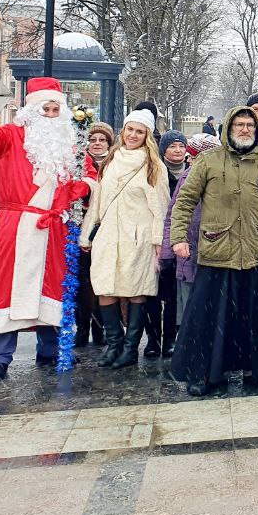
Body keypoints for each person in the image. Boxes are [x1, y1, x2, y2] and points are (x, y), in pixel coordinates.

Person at [0, 75, 97, 381]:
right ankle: (0, 359)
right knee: (9, 290)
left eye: (55, 110)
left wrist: (84, 187)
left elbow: (90, 174)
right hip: (17, 225)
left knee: (54, 287)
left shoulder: (72, 144)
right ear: (31, 110)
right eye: (45, 109)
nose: (50, 115)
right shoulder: (10, 136)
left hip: (56, 227)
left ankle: (49, 350)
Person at [170, 105, 258, 396]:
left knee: (257, 315)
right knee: (209, 317)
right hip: (217, 250)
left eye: (250, 125)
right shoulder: (208, 161)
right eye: (239, 125)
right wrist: (179, 238)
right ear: (228, 128)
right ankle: (206, 373)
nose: (245, 130)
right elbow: (184, 203)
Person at [82, 109, 170, 369]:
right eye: (130, 129)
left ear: (147, 136)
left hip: (137, 237)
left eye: (139, 131)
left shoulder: (153, 166)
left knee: (136, 292)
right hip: (108, 235)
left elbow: (160, 207)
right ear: (123, 130)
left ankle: (131, 349)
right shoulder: (110, 159)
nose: (133, 135)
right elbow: (98, 201)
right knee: (105, 288)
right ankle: (114, 345)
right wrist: (88, 236)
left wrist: (157, 241)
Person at [162, 133, 217, 336]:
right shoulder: (187, 177)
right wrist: (168, 250)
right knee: (188, 305)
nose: (191, 161)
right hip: (188, 252)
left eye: (195, 157)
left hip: (213, 252)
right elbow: (174, 214)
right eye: (192, 158)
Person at [145, 129, 188, 359]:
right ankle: (153, 339)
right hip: (153, 236)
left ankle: (170, 338)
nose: (177, 150)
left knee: (172, 293)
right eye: (172, 146)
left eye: (181, 146)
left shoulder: (191, 172)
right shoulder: (154, 171)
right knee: (152, 292)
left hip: (177, 238)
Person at [77, 121, 117, 348]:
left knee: (102, 281)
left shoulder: (115, 166)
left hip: (106, 230)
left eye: (102, 140)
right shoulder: (78, 165)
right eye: (93, 140)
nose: (97, 144)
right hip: (80, 228)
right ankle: (82, 327)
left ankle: (101, 328)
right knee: (82, 283)